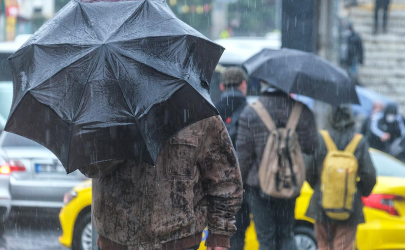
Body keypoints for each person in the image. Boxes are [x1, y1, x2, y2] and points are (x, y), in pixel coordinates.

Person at [80, 116, 243, 250]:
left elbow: (225, 179)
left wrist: (220, 235)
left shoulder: (195, 109)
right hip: (116, 241)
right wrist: (122, 135)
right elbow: (90, 167)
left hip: (179, 242)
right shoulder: (107, 108)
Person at [236, 82, 318, 250]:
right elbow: (312, 146)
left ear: (265, 83)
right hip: (289, 182)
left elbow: (243, 156)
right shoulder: (301, 110)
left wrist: (239, 185)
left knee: (266, 238)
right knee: (287, 235)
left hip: (258, 186)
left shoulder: (252, 111)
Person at [305, 106, 376, 250]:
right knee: (343, 245)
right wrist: (357, 190)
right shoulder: (359, 142)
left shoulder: (322, 138)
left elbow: (308, 169)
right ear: (351, 118)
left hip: (321, 203)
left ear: (330, 117)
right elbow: (369, 175)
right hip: (349, 205)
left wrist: (320, 186)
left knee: (323, 244)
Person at [214, 67, 248, 250]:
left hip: (217, 183)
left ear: (221, 86)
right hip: (243, 185)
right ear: (243, 85)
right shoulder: (251, 112)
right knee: (239, 232)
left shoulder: (212, 111)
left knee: (218, 233)